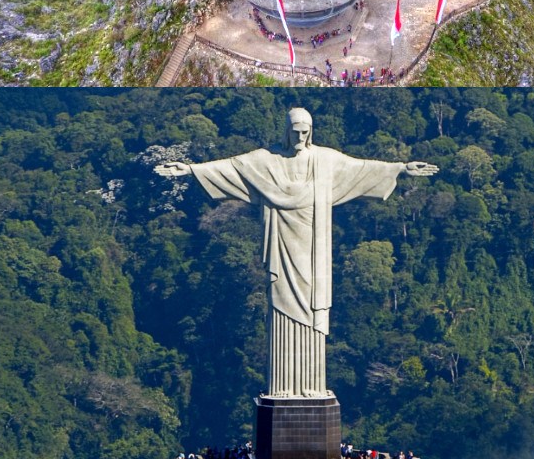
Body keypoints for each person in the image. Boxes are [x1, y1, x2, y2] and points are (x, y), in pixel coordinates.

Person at [155, 108, 437, 397]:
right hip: (282, 246)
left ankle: (311, 387)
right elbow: (232, 167)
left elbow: (362, 168)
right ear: (286, 131)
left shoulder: (325, 160)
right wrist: (190, 169)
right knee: (281, 305)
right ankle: (282, 388)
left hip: (314, 251)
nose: (300, 137)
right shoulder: (267, 160)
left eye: (305, 132)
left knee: (313, 311)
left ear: (311, 132)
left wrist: (401, 168)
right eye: (295, 131)